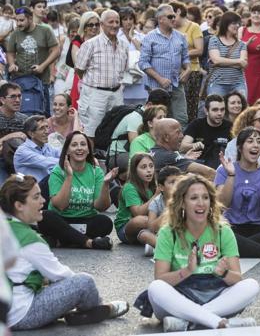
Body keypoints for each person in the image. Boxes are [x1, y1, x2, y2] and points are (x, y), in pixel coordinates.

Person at [1, 174, 129, 330]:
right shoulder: (31, 240)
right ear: (19, 205)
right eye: (36, 197)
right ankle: (97, 309)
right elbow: (62, 275)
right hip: (19, 315)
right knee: (84, 282)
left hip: (5, 309)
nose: (43, 201)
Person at [145, 173, 259, 332]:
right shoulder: (167, 232)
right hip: (178, 296)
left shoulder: (223, 231)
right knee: (155, 288)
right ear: (182, 203)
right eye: (194, 198)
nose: (201, 203)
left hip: (215, 293)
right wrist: (187, 271)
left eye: (205, 197)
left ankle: (189, 322)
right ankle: (219, 322)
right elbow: (160, 278)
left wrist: (224, 273)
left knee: (251, 285)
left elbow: (237, 278)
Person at [38, 131, 118, 250]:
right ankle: (88, 242)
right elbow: (60, 205)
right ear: (67, 150)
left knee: (105, 222)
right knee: (45, 217)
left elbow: (101, 207)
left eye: (83, 144)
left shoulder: (96, 172)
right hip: (61, 218)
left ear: (88, 149)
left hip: (85, 220)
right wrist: (69, 177)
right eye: (74, 145)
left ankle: (63, 239)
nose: (79, 148)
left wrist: (105, 184)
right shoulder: (58, 171)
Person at [215, 127, 260, 259]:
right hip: (233, 227)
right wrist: (231, 175)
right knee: (218, 234)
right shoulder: (225, 170)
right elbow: (222, 203)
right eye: (250, 141)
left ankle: (242, 247)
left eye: (258, 142)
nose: (255, 145)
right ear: (240, 147)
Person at [75, 10, 128, 139]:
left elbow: (125, 70)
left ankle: (109, 159)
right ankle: (90, 159)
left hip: (116, 94)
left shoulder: (124, 45)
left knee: (116, 132)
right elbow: (79, 69)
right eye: (111, 22)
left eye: (117, 22)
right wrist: (94, 84)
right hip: (95, 94)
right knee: (90, 132)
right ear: (102, 24)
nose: (115, 25)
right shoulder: (90, 45)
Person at [139, 4, 191, 127]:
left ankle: (178, 146)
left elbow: (186, 58)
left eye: (174, 16)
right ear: (160, 19)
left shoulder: (180, 37)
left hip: (177, 85)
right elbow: (143, 63)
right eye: (170, 16)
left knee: (181, 119)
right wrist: (159, 78)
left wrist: (188, 70)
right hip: (157, 88)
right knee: (159, 121)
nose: (174, 19)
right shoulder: (149, 37)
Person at [5, 7, 60, 116]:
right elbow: (10, 52)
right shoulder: (15, 34)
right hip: (20, 81)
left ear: (30, 19)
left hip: (41, 81)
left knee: (42, 114)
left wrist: (43, 66)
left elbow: (56, 50)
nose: (18, 23)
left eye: (21, 20)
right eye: (16, 20)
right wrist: (12, 64)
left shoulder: (45, 30)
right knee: (22, 114)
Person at [114, 153, 158, 249]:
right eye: (143, 167)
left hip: (148, 226)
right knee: (142, 220)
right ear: (135, 171)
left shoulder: (155, 186)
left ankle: (152, 242)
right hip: (126, 228)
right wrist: (156, 195)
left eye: (151, 166)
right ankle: (158, 242)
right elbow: (137, 212)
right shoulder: (129, 187)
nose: (149, 170)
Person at [149, 118, 215, 180]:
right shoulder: (168, 157)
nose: (182, 136)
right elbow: (209, 172)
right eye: (178, 132)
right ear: (166, 137)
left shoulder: (153, 151)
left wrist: (184, 158)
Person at [170, 2, 203, 122]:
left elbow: (199, 50)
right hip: (173, 72)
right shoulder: (170, 28)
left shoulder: (193, 27)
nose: (171, 19)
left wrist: (180, 53)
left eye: (171, 15)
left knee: (190, 107)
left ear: (178, 11)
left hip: (191, 71)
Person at [181, 94, 232, 170]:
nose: (219, 113)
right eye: (215, 110)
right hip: (200, 165)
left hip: (222, 166)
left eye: (222, 109)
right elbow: (182, 147)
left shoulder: (230, 126)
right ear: (206, 111)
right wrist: (193, 145)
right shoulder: (197, 124)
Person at [204, 11, 248, 99]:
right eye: (234, 23)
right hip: (217, 84)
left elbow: (244, 64)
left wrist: (222, 62)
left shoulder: (242, 44)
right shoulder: (214, 40)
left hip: (238, 84)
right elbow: (216, 60)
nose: (237, 26)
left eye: (238, 23)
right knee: (217, 110)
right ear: (225, 24)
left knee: (239, 110)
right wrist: (238, 61)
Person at [67, 11, 101, 109]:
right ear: (84, 27)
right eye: (90, 25)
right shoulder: (77, 42)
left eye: (97, 24)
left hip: (100, 83)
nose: (94, 27)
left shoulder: (103, 41)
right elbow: (78, 66)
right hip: (81, 81)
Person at [145, 166, 182, 256]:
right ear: (161, 187)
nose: (177, 185)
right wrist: (170, 208)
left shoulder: (187, 199)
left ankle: (163, 249)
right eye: (172, 182)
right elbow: (151, 227)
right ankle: (167, 248)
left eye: (179, 182)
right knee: (143, 235)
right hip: (164, 236)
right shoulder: (156, 202)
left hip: (183, 235)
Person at [13, 115, 61, 181]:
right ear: (31, 134)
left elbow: (63, 154)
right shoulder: (22, 151)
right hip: (30, 190)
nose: (47, 132)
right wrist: (72, 162)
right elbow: (47, 162)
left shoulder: (47, 146)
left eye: (47, 127)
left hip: (47, 188)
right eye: (42, 128)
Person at [118, 7, 148, 105]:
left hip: (139, 79)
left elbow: (144, 54)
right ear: (120, 21)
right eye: (125, 19)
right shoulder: (116, 36)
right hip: (123, 80)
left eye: (131, 19)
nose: (128, 22)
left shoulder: (141, 36)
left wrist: (132, 38)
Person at [0, 83, 27, 182]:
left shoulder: (24, 119)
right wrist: (10, 136)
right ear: (2, 100)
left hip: (20, 163)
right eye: (13, 96)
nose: (17, 100)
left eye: (19, 96)